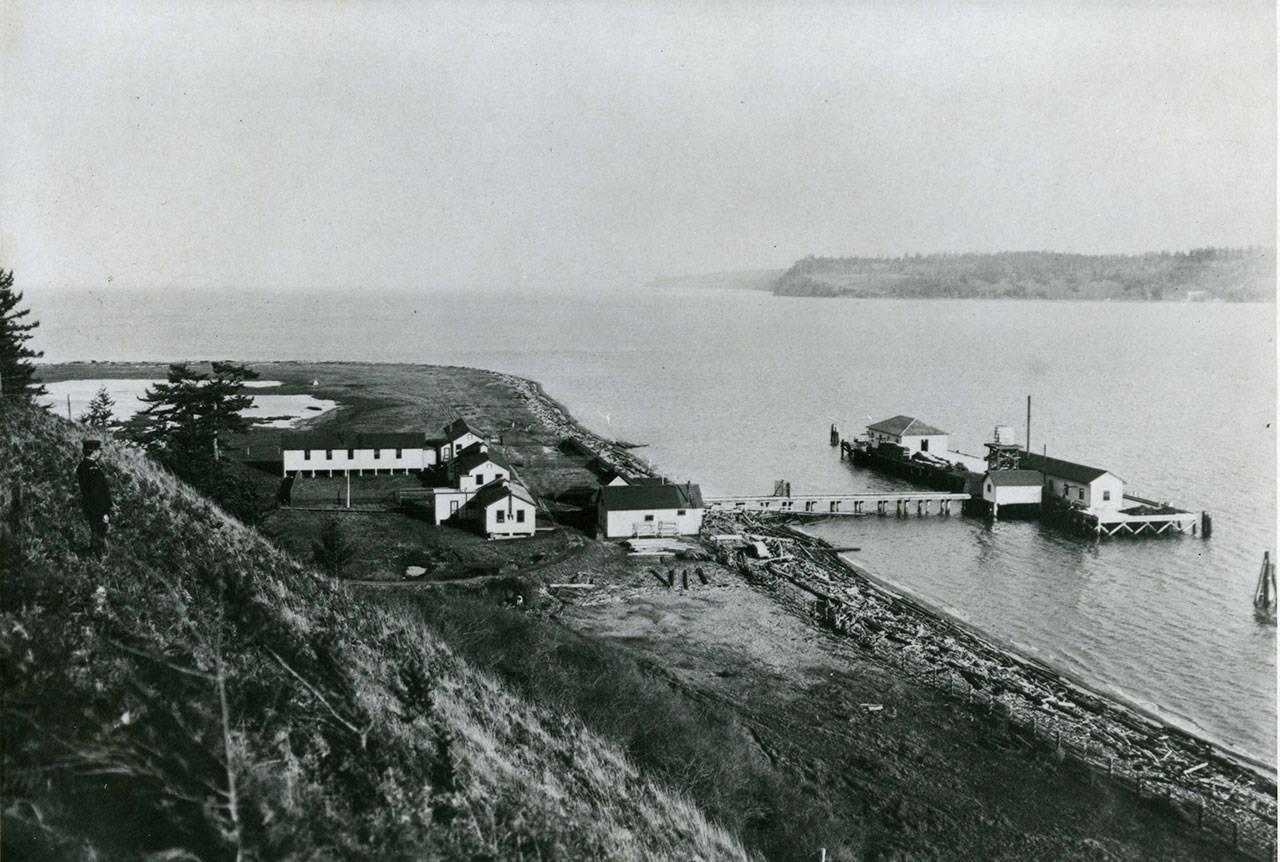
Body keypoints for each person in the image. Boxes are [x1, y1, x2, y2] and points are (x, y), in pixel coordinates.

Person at [75, 439, 112, 556]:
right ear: (93, 452)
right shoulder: (91, 468)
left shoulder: (84, 466)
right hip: (97, 508)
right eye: (98, 450)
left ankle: (94, 557)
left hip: (91, 506)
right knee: (99, 534)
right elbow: (97, 493)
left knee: (96, 533)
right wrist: (104, 512)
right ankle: (98, 559)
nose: (100, 452)